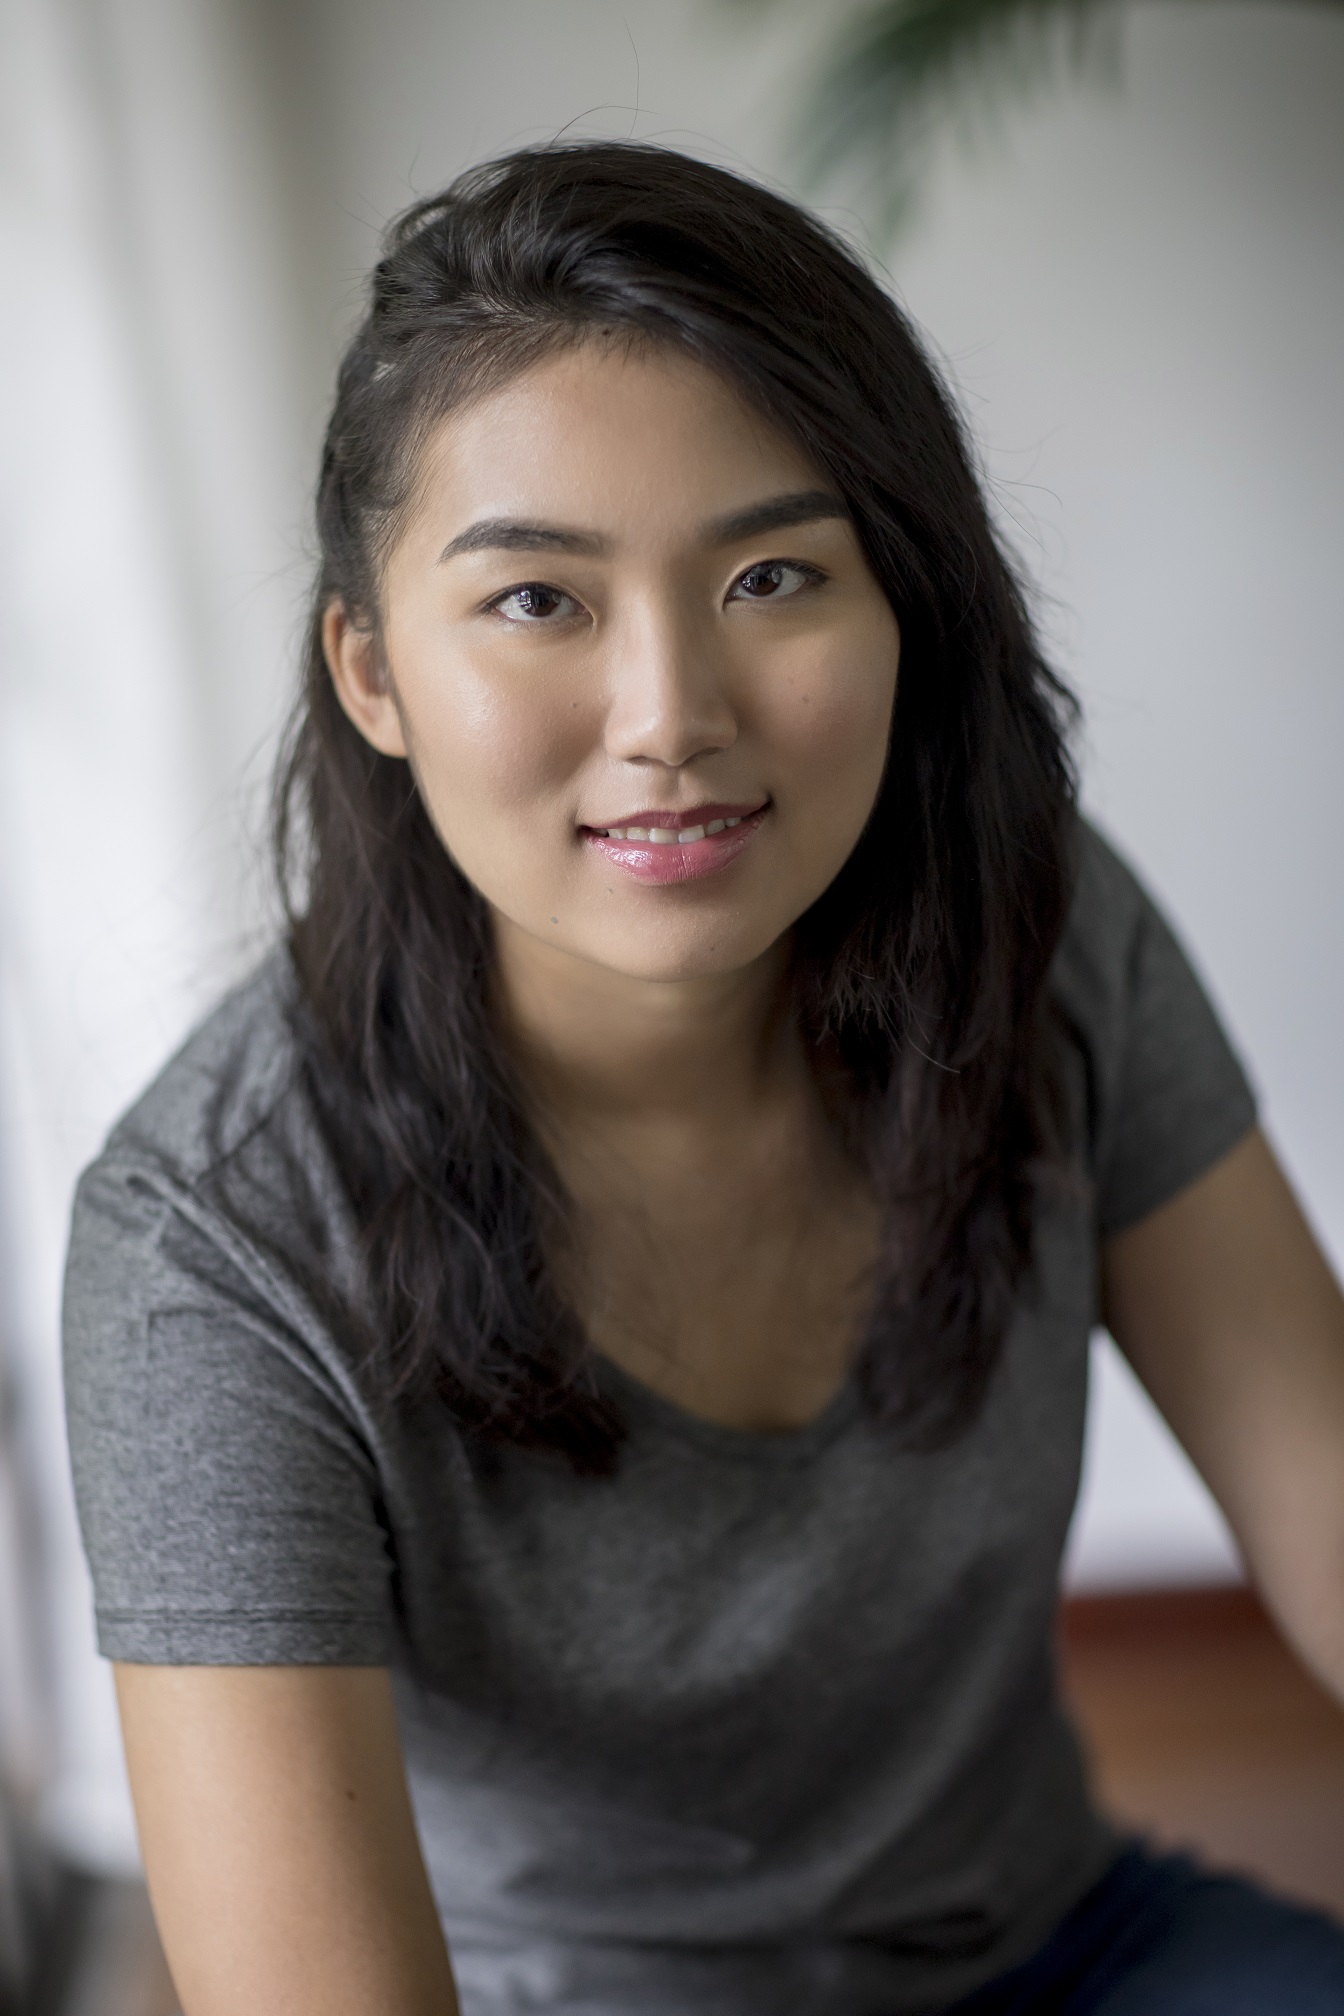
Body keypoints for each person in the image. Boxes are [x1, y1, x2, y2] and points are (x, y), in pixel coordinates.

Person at [63, 143, 1344, 2016]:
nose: (671, 713)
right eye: (537, 600)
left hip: (1060, 1951)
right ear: (372, 672)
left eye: (769, 573)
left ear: (903, 606)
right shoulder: (210, 1251)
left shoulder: (1042, 935)